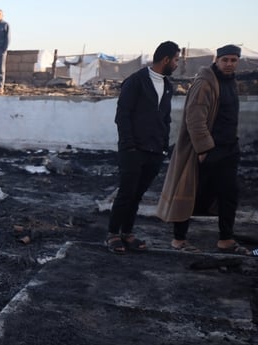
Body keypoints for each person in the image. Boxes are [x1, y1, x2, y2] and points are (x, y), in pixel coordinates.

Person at [156, 44, 255, 256]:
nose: (229, 64)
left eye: (233, 60)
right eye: (225, 60)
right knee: (191, 192)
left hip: (228, 148)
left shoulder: (230, 82)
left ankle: (226, 239)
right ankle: (179, 239)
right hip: (207, 150)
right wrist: (203, 149)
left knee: (229, 194)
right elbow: (195, 119)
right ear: (216, 60)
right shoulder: (205, 83)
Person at [105, 41, 180, 254]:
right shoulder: (136, 82)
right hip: (133, 150)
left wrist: (163, 147)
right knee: (126, 193)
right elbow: (123, 116)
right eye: (175, 60)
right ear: (165, 59)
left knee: (137, 195)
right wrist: (128, 146)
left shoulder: (167, 86)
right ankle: (112, 234)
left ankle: (127, 234)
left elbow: (165, 119)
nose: (176, 64)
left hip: (155, 151)